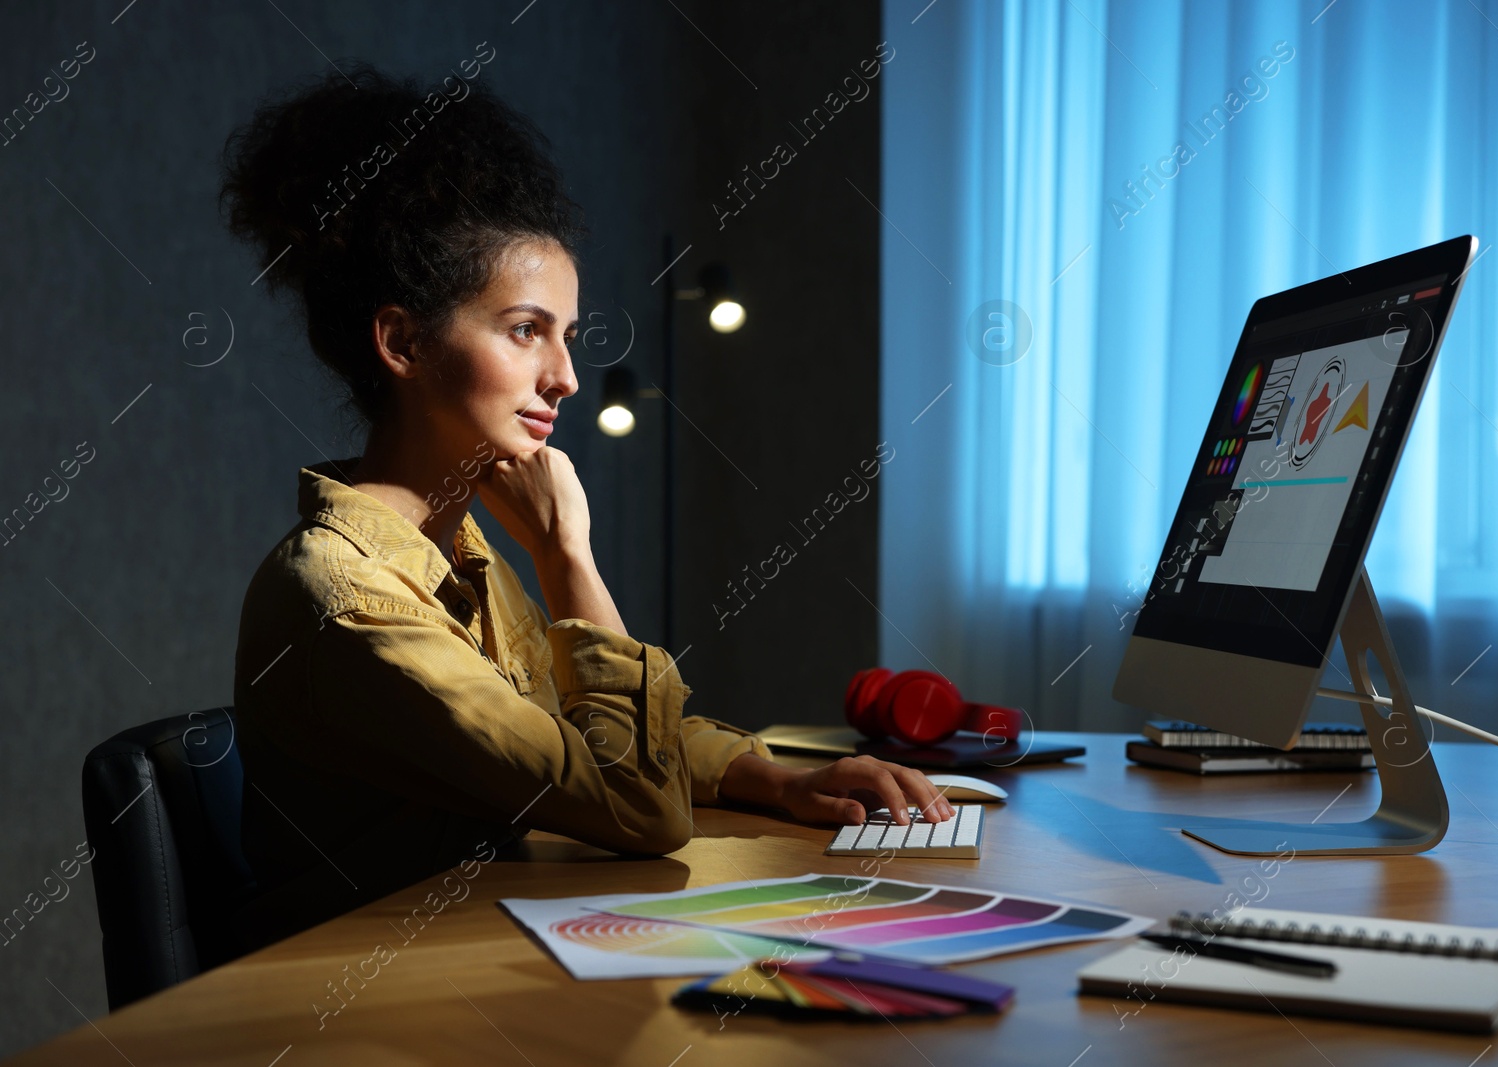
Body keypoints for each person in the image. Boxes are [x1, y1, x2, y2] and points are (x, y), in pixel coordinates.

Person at [219, 63, 952, 943]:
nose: (564, 377)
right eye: (527, 330)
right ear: (403, 341)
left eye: (565, 337)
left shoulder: (463, 556)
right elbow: (638, 801)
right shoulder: (348, 597)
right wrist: (567, 553)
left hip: (475, 957)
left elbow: (591, 736)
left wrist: (780, 779)